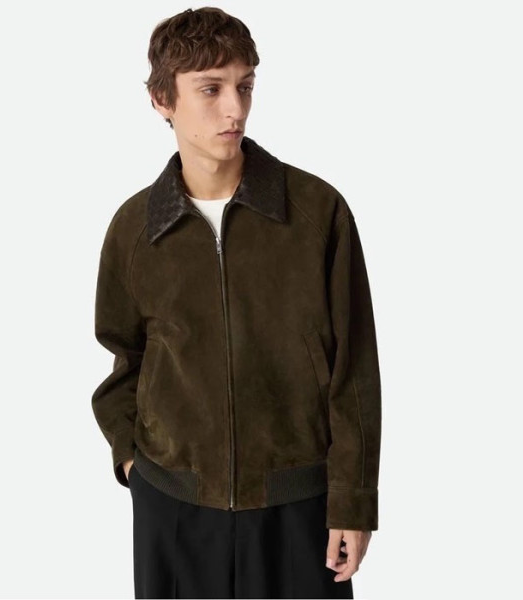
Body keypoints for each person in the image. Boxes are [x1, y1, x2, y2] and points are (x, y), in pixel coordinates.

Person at [92, 7, 382, 599]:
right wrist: (132, 461)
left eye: (244, 86)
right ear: (162, 100)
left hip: (298, 507)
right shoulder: (135, 228)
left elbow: (354, 370)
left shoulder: (315, 212)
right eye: (211, 89)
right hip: (173, 507)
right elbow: (124, 359)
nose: (236, 109)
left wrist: (352, 500)